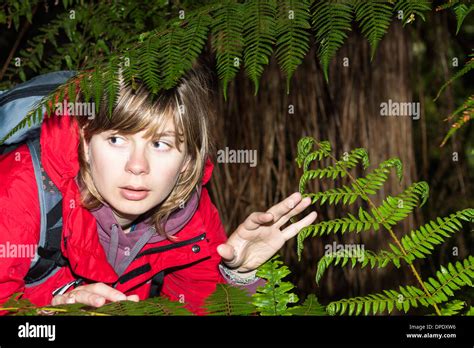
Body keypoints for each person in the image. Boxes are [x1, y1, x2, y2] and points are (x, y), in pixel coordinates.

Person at [0, 62, 317, 315]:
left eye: (160, 144)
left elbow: (195, 308)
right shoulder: (21, 192)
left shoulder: (188, 213)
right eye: (117, 139)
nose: (137, 165)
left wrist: (237, 276)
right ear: (85, 142)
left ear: (188, 160)